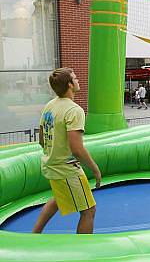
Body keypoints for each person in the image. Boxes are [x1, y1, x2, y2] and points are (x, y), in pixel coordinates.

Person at [33, 68, 101, 234]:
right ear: (70, 85)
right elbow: (76, 149)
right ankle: (83, 253)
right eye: (75, 78)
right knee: (88, 211)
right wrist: (95, 169)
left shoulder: (49, 106)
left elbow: (42, 139)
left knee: (57, 199)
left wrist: (53, 152)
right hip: (67, 169)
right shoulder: (74, 110)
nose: (78, 81)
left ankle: (34, 234)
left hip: (51, 165)